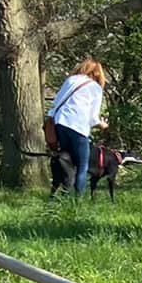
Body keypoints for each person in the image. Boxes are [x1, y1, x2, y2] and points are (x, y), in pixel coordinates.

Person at [48, 59, 107, 198]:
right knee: (82, 166)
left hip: (60, 123)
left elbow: (55, 104)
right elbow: (93, 118)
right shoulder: (95, 87)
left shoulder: (70, 80)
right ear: (98, 74)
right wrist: (102, 125)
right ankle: (77, 202)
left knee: (67, 160)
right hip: (78, 127)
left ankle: (63, 194)